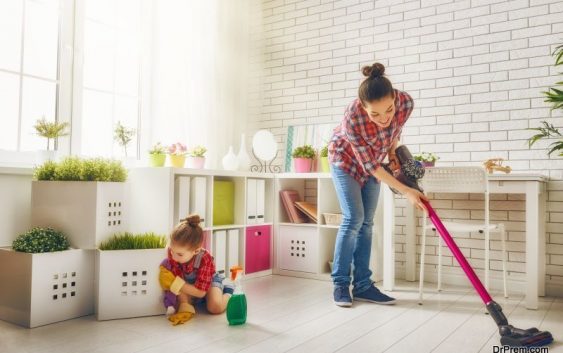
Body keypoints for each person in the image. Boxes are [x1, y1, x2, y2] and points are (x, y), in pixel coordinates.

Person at [328, 62, 428, 307]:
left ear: (395, 98)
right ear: (363, 107)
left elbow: (394, 132)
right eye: (375, 114)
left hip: (375, 160)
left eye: (389, 110)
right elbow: (369, 165)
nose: (384, 118)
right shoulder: (352, 115)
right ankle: (341, 284)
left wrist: (393, 153)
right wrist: (407, 191)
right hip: (345, 160)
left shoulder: (405, 103)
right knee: (354, 218)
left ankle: (363, 285)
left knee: (368, 223)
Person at [159, 214, 234, 325]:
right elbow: (178, 280)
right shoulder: (174, 254)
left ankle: (228, 291)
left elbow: (200, 292)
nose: (174, 257)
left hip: (207, 283)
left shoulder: (204, 258)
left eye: (179, 254)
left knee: (215, 307)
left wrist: (175, 283)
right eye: (171, 251)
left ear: (196, 251)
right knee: (181, 304)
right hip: (188, 284)